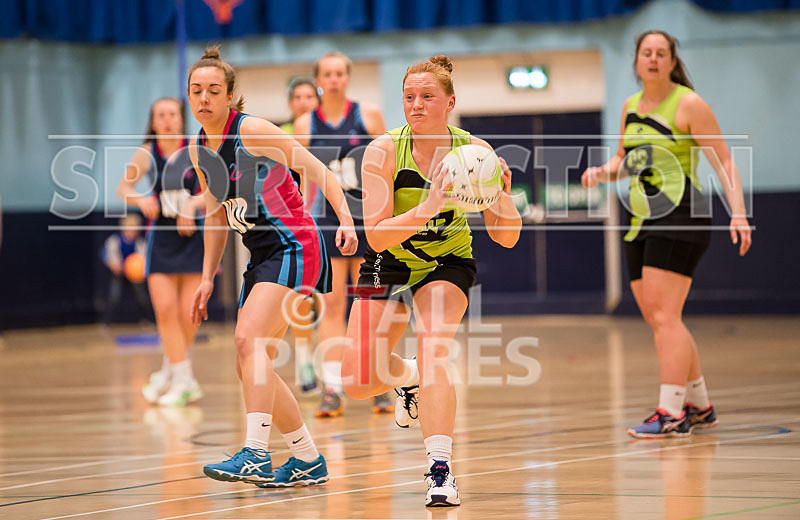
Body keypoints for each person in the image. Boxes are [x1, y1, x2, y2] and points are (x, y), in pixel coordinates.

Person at [340, 56, 521, 507]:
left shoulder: (475, 152)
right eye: (409, 97)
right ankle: (409, 377)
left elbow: (507, 237)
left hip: (447, 261)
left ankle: (440, 470)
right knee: (357, 381)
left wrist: (502, 196)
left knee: (435, 343)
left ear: (450, 102)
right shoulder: (383, 151)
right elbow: (377, 235)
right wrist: (425, 208)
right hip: (391, 260)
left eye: (427, 97)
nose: (416, 105)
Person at [186, 46, 357, 487]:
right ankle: (306, 458)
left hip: (294, 245)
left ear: (229, 97)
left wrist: (345, 219)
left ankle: (255, 453)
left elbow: (319, 170)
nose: (204, 98)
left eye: (213, 90)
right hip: (260, 254)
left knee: (247, 340)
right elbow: (215, 213)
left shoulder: (253, 131)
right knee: (248, 362)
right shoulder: (199, 149)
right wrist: (207, 277)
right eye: (196, 90)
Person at [580, 30, 752, 439]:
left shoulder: (689, 104)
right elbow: (625, 159)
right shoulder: (630, 106)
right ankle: (700, 405)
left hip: (681, 216)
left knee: (665, 317)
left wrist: (740, 213)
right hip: (639, 220)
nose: (653, 59)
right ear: (637, 62)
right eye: (646, 53)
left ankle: (671, 412)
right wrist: (602, 173)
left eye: (661, 53)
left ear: (673, 62)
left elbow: (724, 160)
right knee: (661, 319)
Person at [293, 52, 393, 417]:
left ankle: (375, 382)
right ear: (318, 79)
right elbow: (301, 179)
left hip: (369, 222)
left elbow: (389, 166)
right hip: (327, 223)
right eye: (327, 74)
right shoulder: (305, 124)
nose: (333, 79)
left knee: (370, 304)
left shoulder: (367, 114)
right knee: (332, 305)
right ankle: (333, 386)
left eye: (339, 73)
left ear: (347, 78)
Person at [117, 98, 206, 406]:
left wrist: (193, 206)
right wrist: (140, 200)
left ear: (181, 119)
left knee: (188, 314)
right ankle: (184, 380)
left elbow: (215, 190)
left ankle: (172, 370)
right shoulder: (146, 154)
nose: (167, 120)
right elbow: (123, 189)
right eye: (161, 116)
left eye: (172, 115)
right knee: (166, 310)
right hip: (162, 239)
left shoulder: (196, 149)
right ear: (153, 122)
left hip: (194, 237)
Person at [280, 77, 321, 396]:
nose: (304, 101)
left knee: (336, 300)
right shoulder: (280, 136)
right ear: (290, 102)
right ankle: (305, 362)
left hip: (331, 220)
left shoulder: (327, 133)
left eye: (310, 96)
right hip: (294, 223)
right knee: (302, 296)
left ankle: (338, 361)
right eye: (298, 96)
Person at [100, 214, 151, 324]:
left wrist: (141, 268)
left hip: (134, 274)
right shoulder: (114, 240)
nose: (132, 231)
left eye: (135, 228)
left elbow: (144, 258)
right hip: (119, 273)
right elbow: (106, 255)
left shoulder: (140, 242)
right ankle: (106, 322)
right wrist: (113, 264)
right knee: (114, 297)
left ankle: (146, 319)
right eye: (129, 228)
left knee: (142, 297)